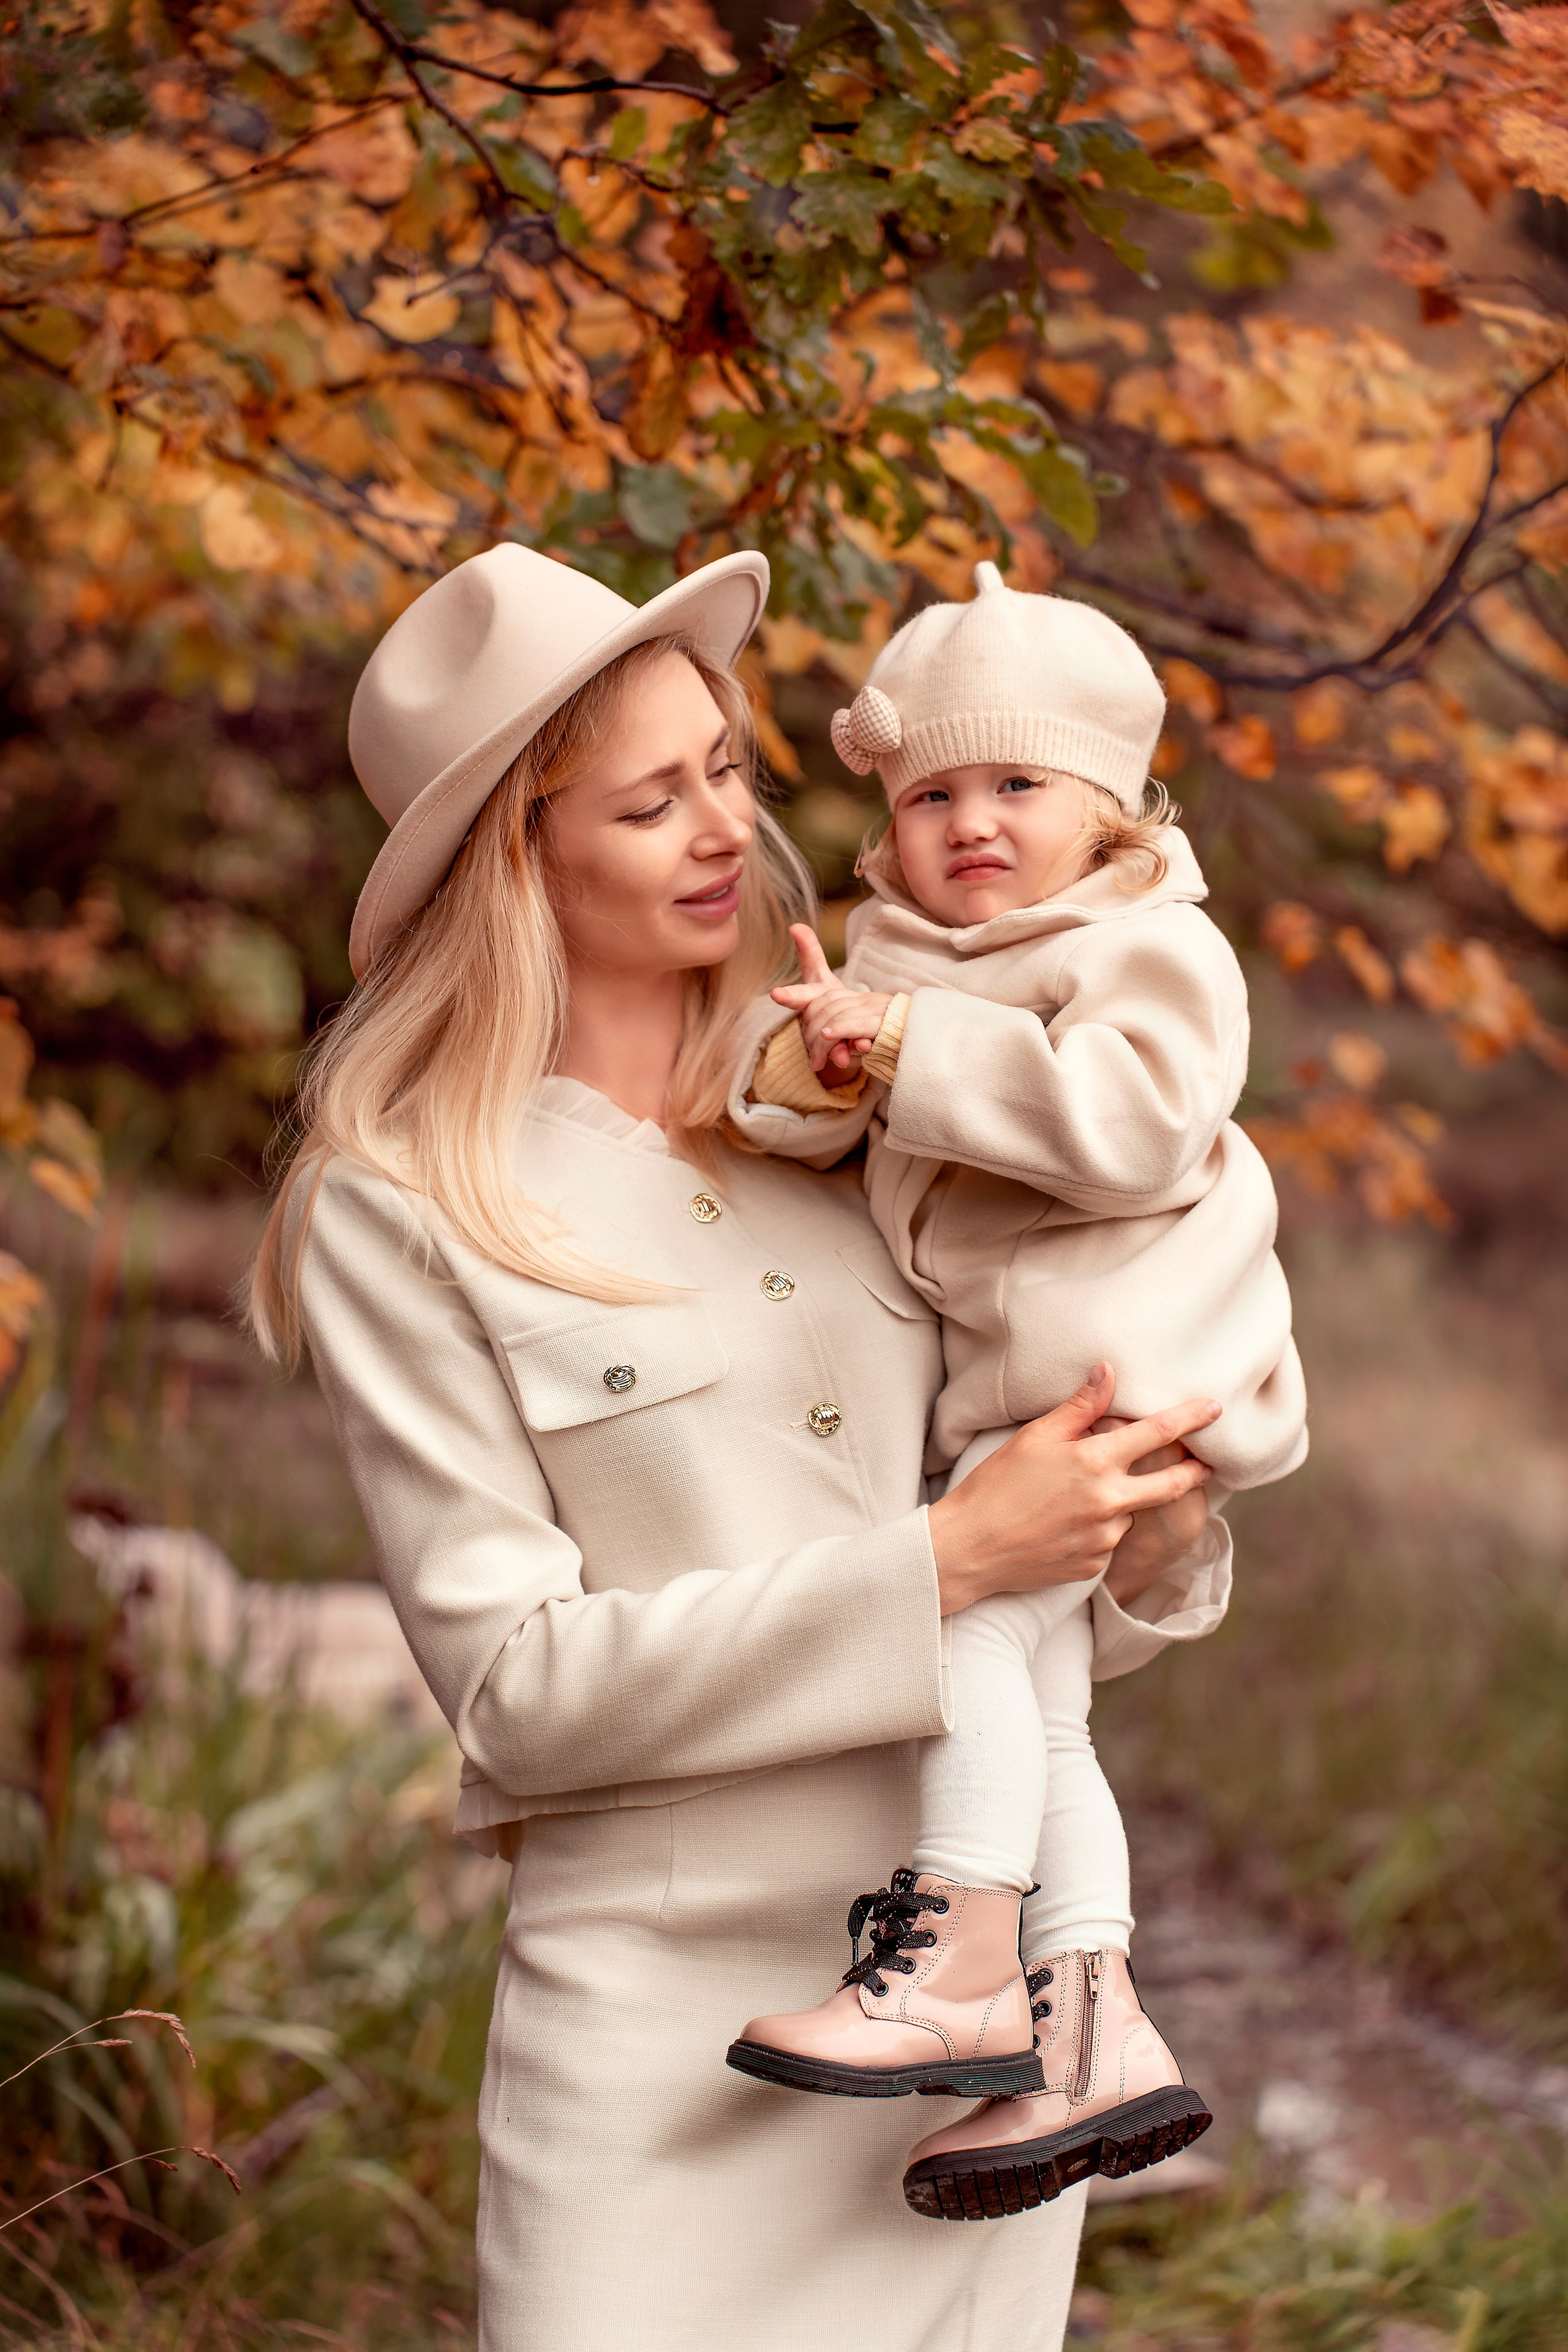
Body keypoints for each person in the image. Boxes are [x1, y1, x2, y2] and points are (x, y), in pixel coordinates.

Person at [248, 541, 1227, 2352]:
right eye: (647, 801)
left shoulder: (864, 1101)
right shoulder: (395, 1207)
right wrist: (944, 1564)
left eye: (724, 767)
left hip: (978, 2048)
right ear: (512, 863)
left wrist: (1136, 1520)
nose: (719, 829)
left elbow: (1051, 1525)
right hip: (660, 2036)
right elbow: (517, 1695)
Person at [725, 562, 1306, 2225]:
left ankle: (967, 1944)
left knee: (966, 1632)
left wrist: (901, 1044)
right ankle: (1091, 2026)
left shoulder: (1143, 946)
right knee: (1042, 1713)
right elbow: (845, 1121)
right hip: (1031, 1394)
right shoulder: (910, 955)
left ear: (1108, 810)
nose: (973, 823)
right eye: (932, 795)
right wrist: (812, 1064)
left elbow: (1129, 1124)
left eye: (1019, 787)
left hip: (1118, 1374)